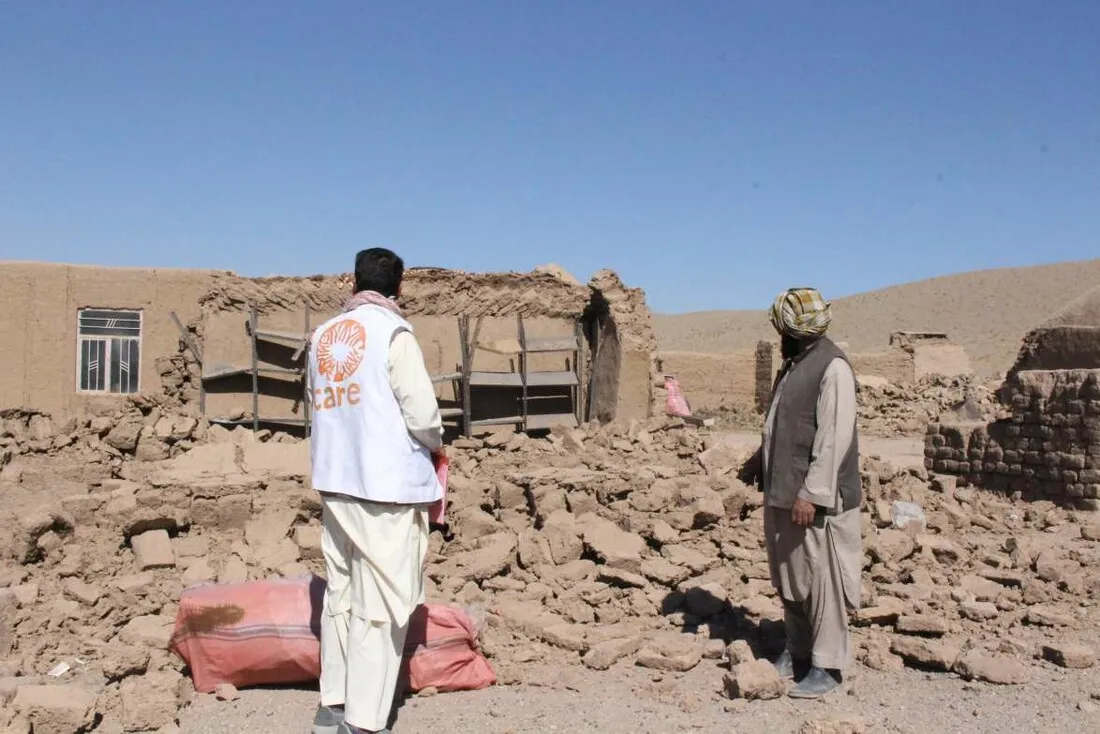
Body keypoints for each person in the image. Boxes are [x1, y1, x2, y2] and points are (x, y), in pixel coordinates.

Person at [309, 248, 444, 734]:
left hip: (335, 482)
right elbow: (424, 416)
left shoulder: (324, 334)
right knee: (383, 605)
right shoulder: (393, 333)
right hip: (383, 487)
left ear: (353, 281)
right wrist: (437, 448)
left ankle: (334, 704)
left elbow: (318, 405)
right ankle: (365, 722)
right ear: (399, 287)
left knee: (340, 592)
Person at [741, 287, 862, 699]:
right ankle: (798, 651)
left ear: (797, 330)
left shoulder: (833, 369)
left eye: (782, 329)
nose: (778, 336)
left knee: (819, 581)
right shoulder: (794, 364)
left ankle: (827, 666)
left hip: (816, 501)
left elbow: (833, 439)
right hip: (783, 493)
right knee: (790, 579)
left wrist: (812, 493)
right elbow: (783, 422)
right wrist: (760, 459)